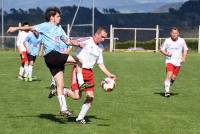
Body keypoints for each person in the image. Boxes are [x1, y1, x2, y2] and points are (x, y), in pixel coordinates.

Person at [7, 6, 87, 117]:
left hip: (53, 59)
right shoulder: (45, 26)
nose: (60, 18)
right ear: (52, 17)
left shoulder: (59, 29)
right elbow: (30, 28)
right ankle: (81, 82)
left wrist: (78, 43)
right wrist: (15, 28)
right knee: (79, 60)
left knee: (60, 85)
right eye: (58, 16)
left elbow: (68, 41)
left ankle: (63, 109)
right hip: (52, 55)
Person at [49, 27, 117, 124]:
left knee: (90, 96)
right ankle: (60, 91)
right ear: (96, 34)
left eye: (105, 38)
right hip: (78, 70)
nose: (103, 39)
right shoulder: (87, 40)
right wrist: (72, 44)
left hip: (89, 73)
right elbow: (74, 42)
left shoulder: (100, 47)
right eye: (102, 37)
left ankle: (80, 118)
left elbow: (100, 64)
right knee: (77, 96)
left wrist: (110, 74)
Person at [160, 27, 188, 97]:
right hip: (169, 61)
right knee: (169, 74)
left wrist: (184, 57)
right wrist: (166, 54)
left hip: (178, 62)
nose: (174, 34)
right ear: (171, 33)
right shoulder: (167, 40)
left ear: (178, 33)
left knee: (173, 78)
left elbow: (185, 49)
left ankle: (167, 85)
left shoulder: (182, 40)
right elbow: (161, 49)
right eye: (173, 33)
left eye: (176, 33)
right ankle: (167, 92)